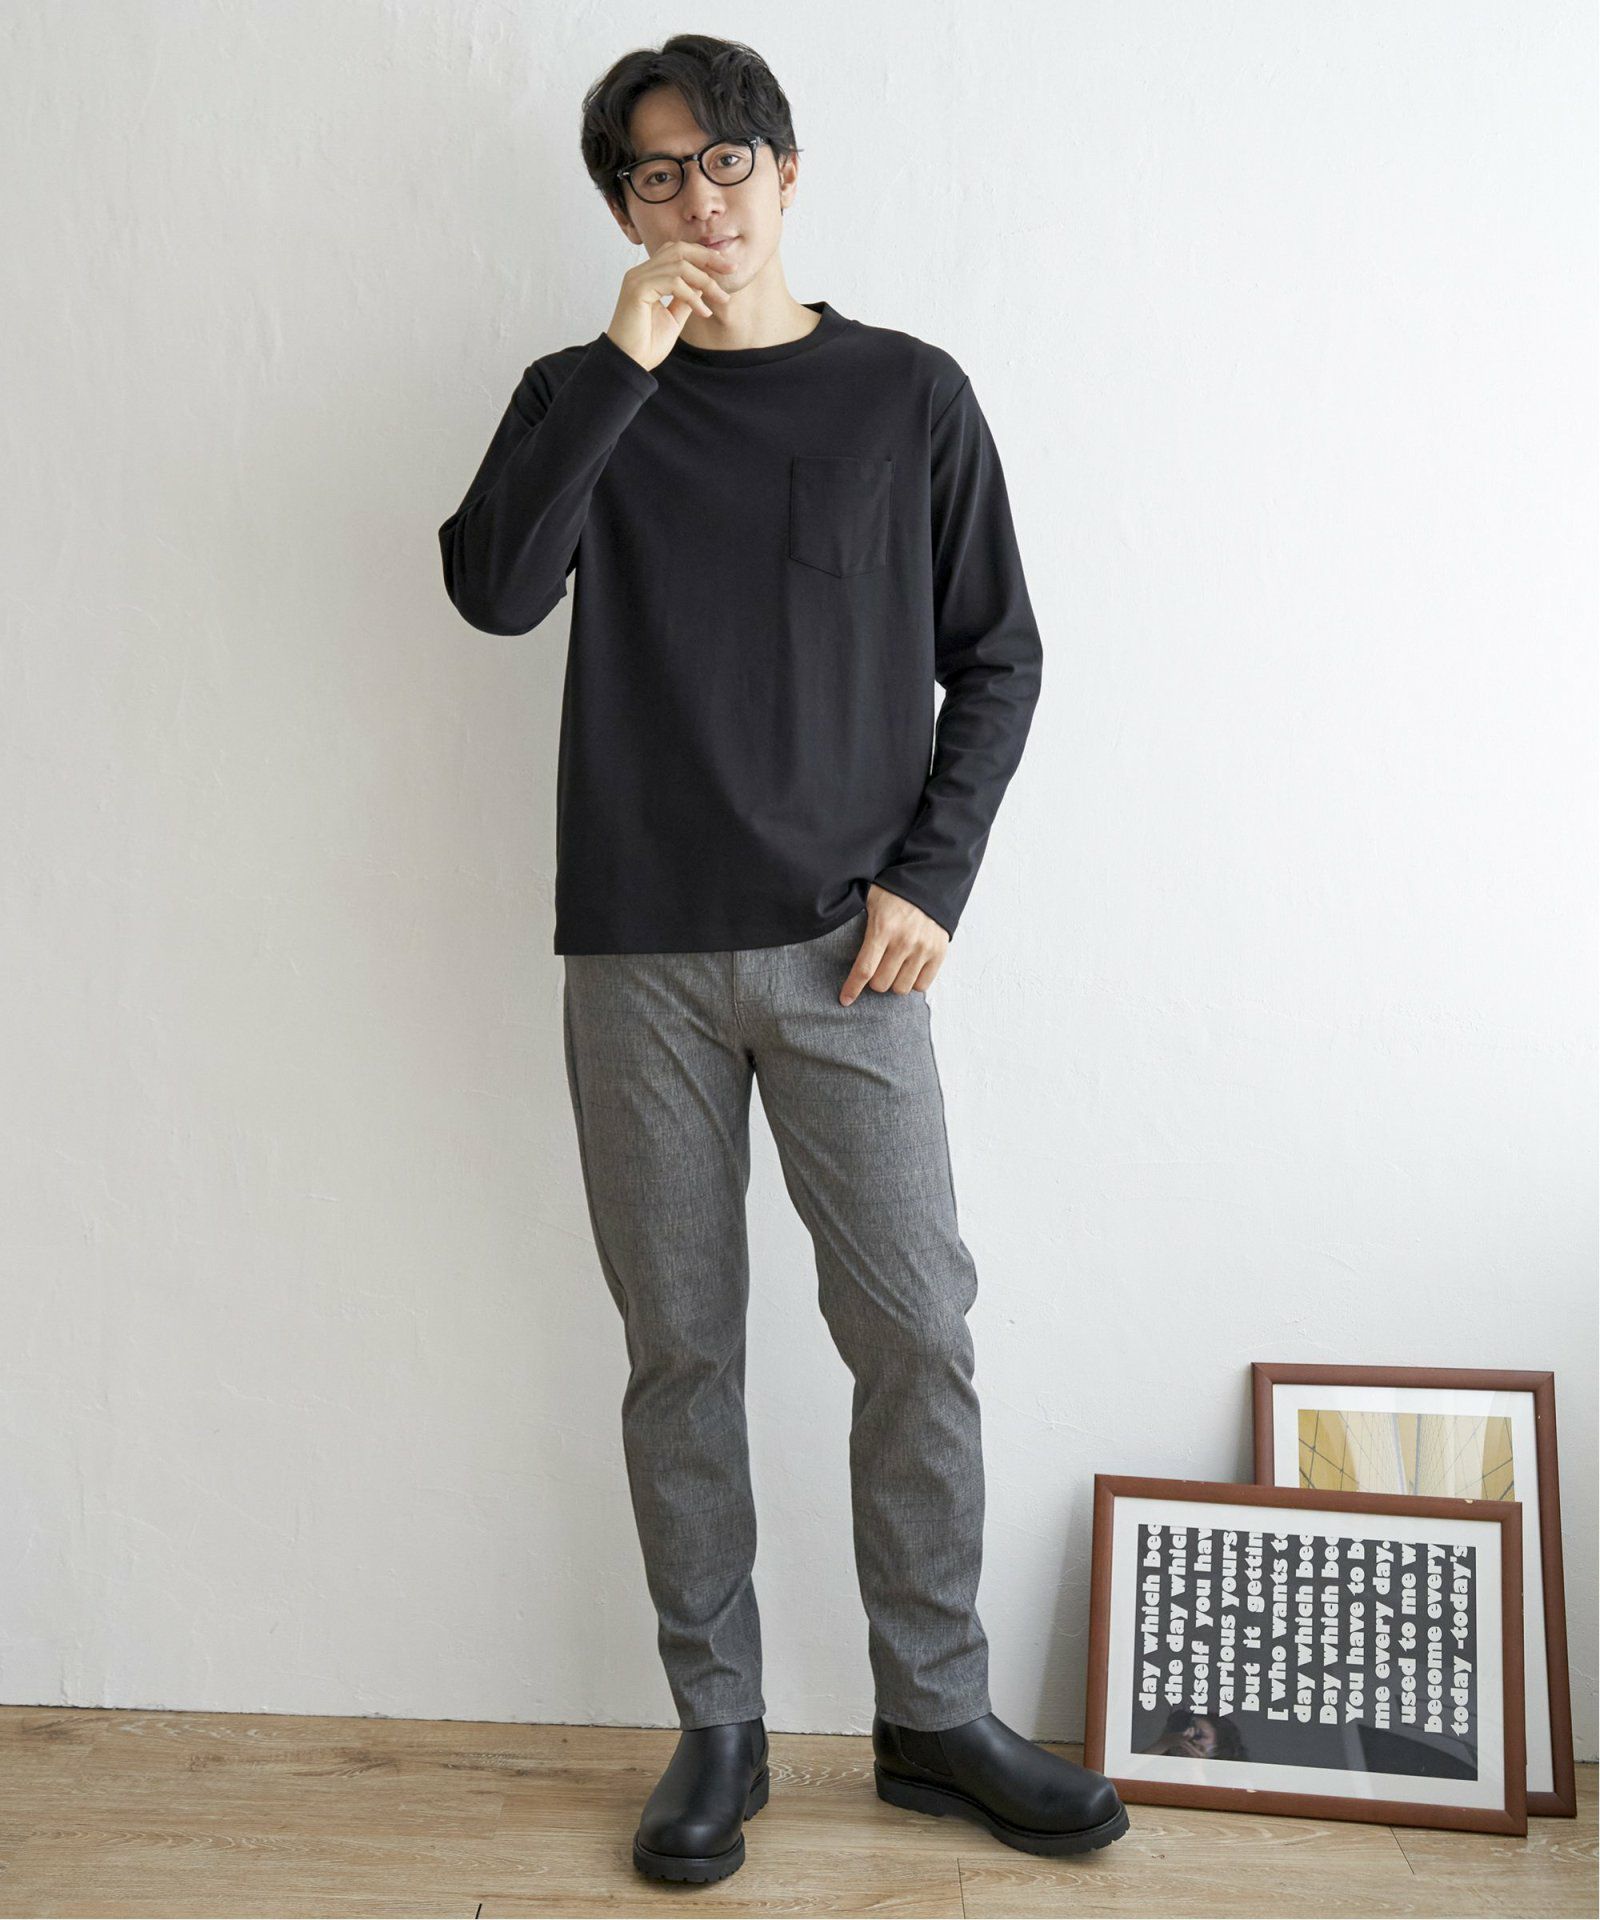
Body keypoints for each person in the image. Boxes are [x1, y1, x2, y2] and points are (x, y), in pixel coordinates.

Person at [437, 31, 1129, 1885]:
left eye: (727, 160)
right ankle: (718, 1727)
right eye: (658, 174)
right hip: (637, 958)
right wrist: (622, 368)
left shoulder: (906, 394)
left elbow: (1000, 656)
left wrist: (933, 879)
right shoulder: (577, 392)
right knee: (681, 1352)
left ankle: (936, 1717)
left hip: (851, 957)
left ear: (789, 172)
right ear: (623, 208)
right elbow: (494, 589)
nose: (701, 200)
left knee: (916, 1330)